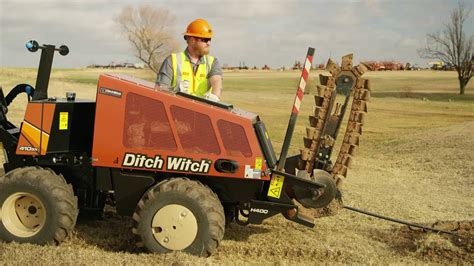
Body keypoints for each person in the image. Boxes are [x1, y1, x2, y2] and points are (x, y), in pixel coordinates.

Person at [155, 19, 223, 102]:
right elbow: (160, 90)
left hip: (202, 112)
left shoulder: (212, 62)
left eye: (209, 39)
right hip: (177, 111)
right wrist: (176, 93)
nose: (208, 43)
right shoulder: (172, 60)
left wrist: (215, 96)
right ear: (192, 40)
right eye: (204, 40)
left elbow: (216, 80)